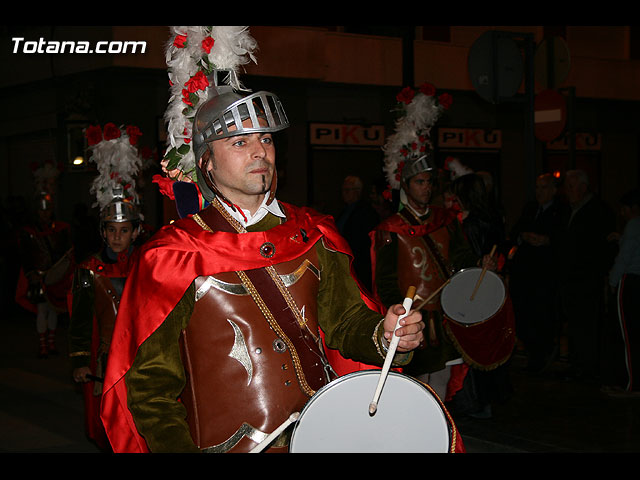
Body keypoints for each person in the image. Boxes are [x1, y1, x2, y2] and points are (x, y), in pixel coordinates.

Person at [100, 75, 426, 453]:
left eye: (266, 139)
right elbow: (151, 389)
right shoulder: (174, 255)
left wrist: (386, 336)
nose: (260, 152)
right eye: (240, 142)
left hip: (325, 436)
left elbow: (346, 322)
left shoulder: (312, 233)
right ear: (206, 163)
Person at [371, 154, 478, 401]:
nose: (427, 187)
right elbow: (385, 279)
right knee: (414, 384)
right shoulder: (390, 228)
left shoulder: (446, 221)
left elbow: (462, 257)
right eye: (420, 182)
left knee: (442, 381)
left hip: (446, 314)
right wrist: (399, 313)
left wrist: (476, 265)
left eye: (429, 182)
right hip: (415, 317)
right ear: (406, 186)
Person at [68, 122, 145, 450]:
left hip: (142, 358)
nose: (117, 237)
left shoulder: (148, 265)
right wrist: (80, 360)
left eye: (123, 230)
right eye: (111, 230)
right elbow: (81, 320)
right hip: (105, 361)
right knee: (109, 428)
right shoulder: (88, 269)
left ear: (135, 232)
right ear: (102, 232)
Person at [449, 172, 515, 418]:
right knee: (488, 343)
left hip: (473, 288)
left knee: (472, 343)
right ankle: (488, 398)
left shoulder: (469, 224)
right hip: (491, 287)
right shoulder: (493, 217)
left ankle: (474, 401)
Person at [555, 169, 615, 381]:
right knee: (574, 322)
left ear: (582, 187)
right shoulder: (568, 210)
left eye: (571, 187)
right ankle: (576, 362)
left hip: (586, 278)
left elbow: (603, 246)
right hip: (570, 277)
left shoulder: (597, 211)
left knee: (587, 323)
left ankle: (588, 366)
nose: (567, 192)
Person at [509, 173, 564, 373]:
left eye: (544, 188)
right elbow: (515, 231)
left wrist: (546, 240)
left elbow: (562, 239)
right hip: (525, 273)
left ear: (553, 190)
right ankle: (533, 351)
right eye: (538, 188)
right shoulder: (531, 208)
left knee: (542, 315)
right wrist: (524, 237)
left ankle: (541, 354)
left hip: (544, 274)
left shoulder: (560, 211)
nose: (540, 192)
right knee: (524, 314)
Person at [15, 190, 73, 358]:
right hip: (38, 276)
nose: (45, 213)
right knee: (42, 310)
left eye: (47, 210)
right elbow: (25, 254)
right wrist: (31, 273)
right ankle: (43, 345)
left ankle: (52, 343)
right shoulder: (28, 232)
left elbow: (66, 252)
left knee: (54, 309)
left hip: (56, 277)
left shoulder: (61, 229)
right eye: (42, 210)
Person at [602, 187, 640, 395]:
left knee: (627, 333)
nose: (621, 214)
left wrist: (613, 280)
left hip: (630, 282)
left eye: (624, 209)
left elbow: (625, 258)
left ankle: (630, 383)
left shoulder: (634, 225)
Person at [335, 175, 380, 291]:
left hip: (359, 265)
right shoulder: (345, 211)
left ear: (357, 192)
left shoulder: (366, 212)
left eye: (347, 190)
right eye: (343, 190)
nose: (344, 193)